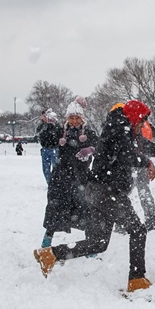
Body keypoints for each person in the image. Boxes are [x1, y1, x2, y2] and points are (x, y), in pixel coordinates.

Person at [34, 100, 155, 292]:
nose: (141, 127)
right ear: (133, 119)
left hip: (99, 192)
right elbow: (126, 155)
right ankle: (136, 279)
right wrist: (147, 163)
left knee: (98, 243)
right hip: (107, 191)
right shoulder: (117, 129)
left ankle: (50, 254)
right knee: (138, 230)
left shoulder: (131, 133)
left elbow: (149, 147)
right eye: (140, 122)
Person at [40, 100, 98, 248]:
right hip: (61, 177)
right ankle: (47, 238)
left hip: (81, 177)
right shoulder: (61, 132)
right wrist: (47, 125)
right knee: (55, 207)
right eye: (71, 118)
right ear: (67, 118)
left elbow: (99, 145)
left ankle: (91, 242)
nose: (74, 121)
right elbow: (45, 140)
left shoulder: (88, 132)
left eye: (77, 118)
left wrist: (90, 149)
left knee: (86, 208)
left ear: (82, 118)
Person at [132, 120, 155, 231]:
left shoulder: (129, 123)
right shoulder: (144, 122)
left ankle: (121, 221)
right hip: (144, 155)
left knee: (124, 192)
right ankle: (151, 220)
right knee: (143, 189)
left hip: (132, 158)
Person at [36, 108, 60, 184]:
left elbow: (58, 134)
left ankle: (56, 183)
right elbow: (38, 135)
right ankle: (50, 183)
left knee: (56, 167)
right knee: (45, 168)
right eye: (43, 115)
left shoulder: (55, 125)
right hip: (45, 149)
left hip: (54, 148)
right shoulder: (41, 126)